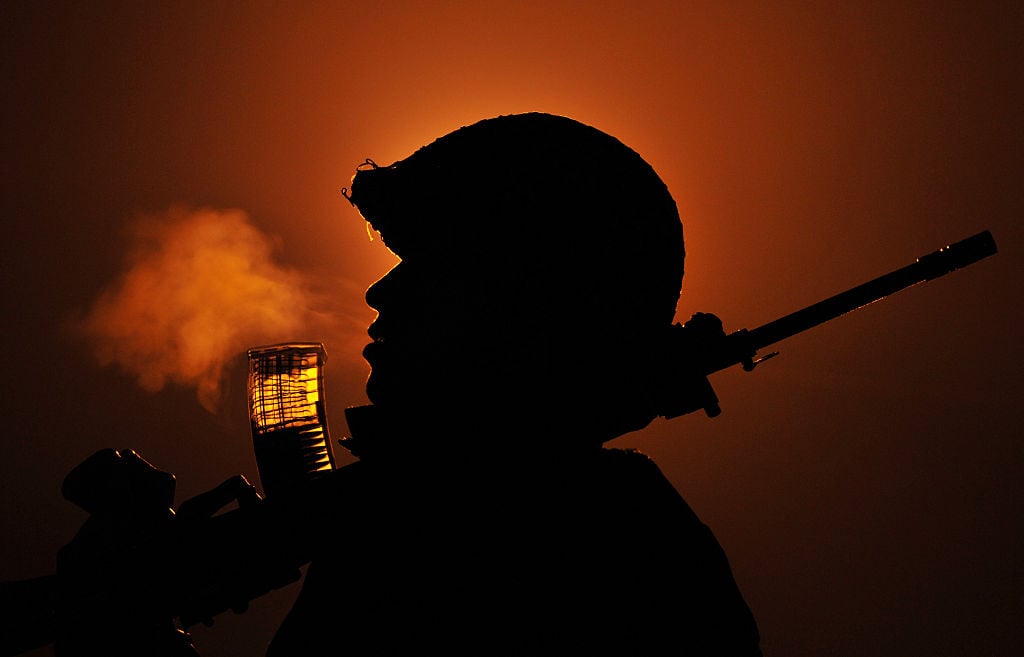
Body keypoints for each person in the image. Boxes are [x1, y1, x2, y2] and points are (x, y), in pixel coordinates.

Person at [13, 112, 762, 656]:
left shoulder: (553, 535)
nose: (382, 296)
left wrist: (123, 634)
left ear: (520, 301)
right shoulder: (433, 513)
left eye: (430, 267)